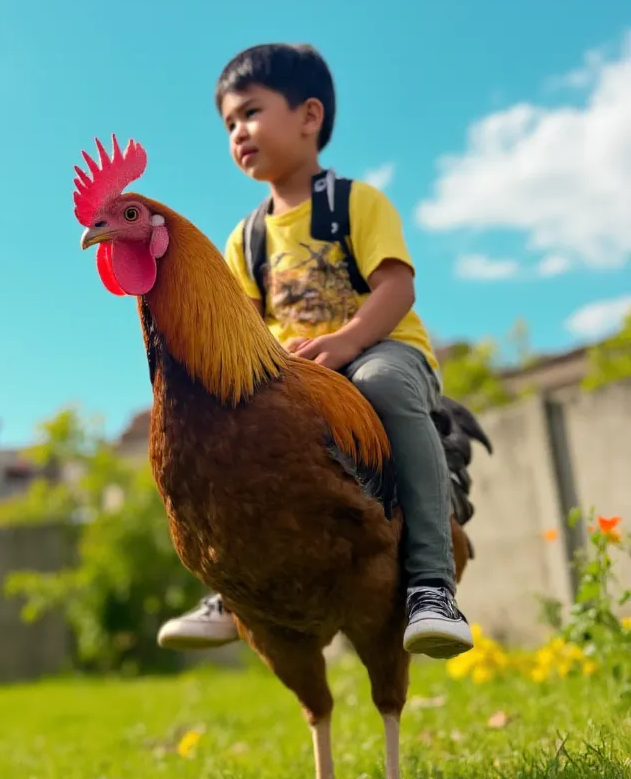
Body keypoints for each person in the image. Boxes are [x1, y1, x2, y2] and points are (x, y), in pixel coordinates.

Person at [157, 43, 473, 659]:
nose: (237, 132)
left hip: (378, 349)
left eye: (249, 112)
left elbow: (397, 287)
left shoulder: (356, 203)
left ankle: (432, 582)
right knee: (227, 437)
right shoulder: (244, 238)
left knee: (380, 385)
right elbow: (239, 330)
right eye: (228, 124)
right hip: (293, 377)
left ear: (309, 116)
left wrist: (350, 339)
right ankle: (235, 589)